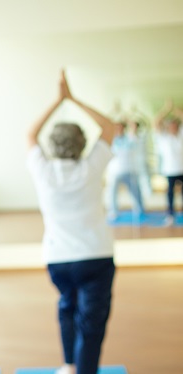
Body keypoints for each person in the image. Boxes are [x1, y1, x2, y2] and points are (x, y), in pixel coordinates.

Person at [26, 70, 115, 374]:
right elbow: (109, 126)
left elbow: (29, 134)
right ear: (82, 143)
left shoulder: (43, 171)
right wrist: (73, 100)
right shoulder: (92, 166)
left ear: (52, 145)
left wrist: (58, 100)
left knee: (67, 306)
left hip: (58, 259)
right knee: (91, 321)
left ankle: (68, 365)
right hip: (96, 256)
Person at [104, 120, 146, 221]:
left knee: (136, 192)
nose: (119, 129)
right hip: (114, 171)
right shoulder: (111, 139)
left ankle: (140, 210)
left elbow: (134, 130)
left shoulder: (130, 138)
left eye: (121, 127)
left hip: (129, 169)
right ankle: (113, 211)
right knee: (112, 193)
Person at [152, 99, 183, 226]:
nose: (172, 127)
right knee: (170, 195)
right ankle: (170, 215)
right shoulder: (163, 137)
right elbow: (155, 122)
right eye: (170, 125)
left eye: (174, 125)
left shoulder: (181, 134)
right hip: (170, 170)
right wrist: (166, 109)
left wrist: (174, 109)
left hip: (182, 169)